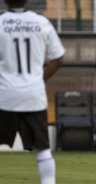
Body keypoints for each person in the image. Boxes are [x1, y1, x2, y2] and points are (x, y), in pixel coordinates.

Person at [0, 1, 65, 184]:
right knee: (43, 150)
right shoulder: (41, 23)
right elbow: (58, 59)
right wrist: (39, 79)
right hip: (34, 97)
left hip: (5, 97)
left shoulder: (0, 23)